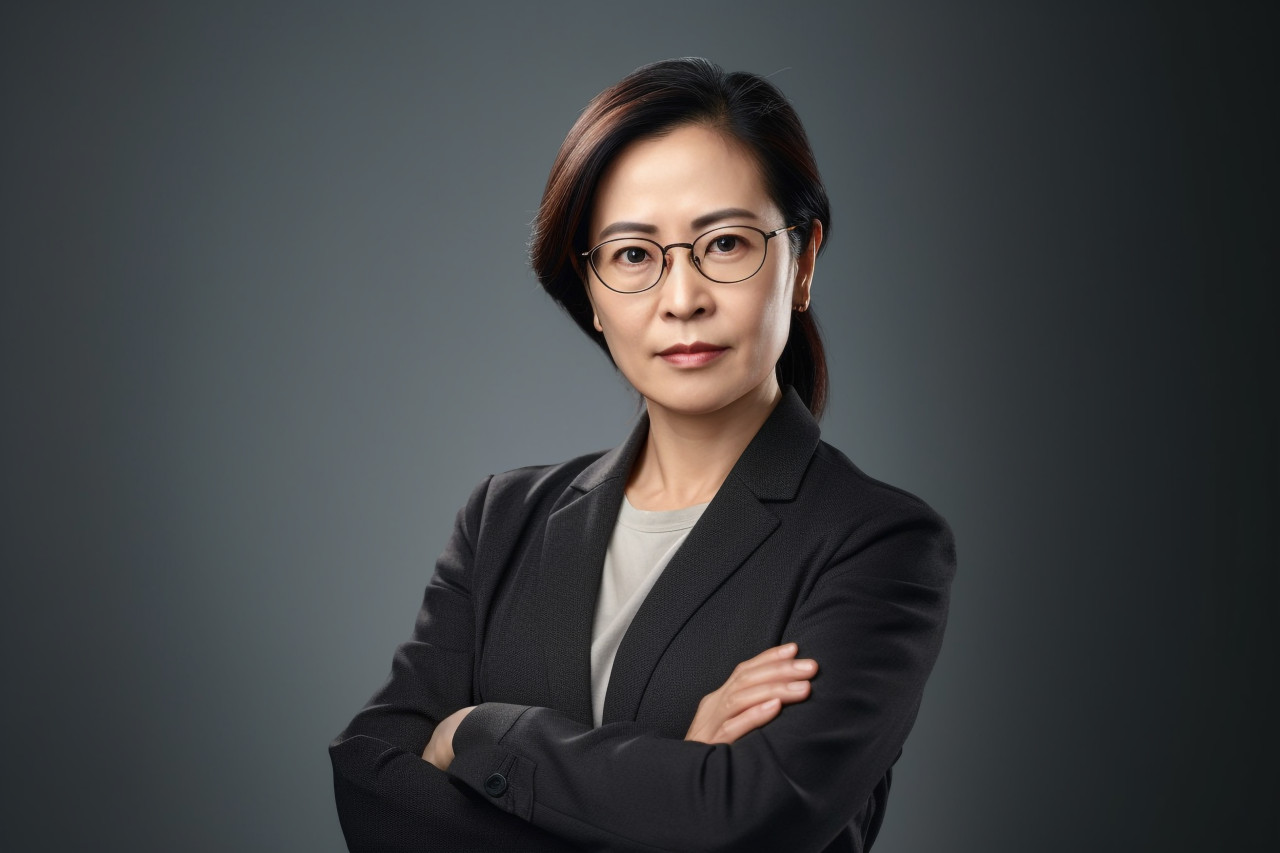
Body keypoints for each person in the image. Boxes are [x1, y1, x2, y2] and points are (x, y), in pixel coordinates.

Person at [329, 57, 955, 853]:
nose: (682, 297)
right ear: (589, 289)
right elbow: (371, 790)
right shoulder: (501, 522)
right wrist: (672, 778)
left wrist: (479, 730)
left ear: (802, 262)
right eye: (633, 254)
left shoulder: (877, 544)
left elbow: (746, 822)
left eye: (724, 243)